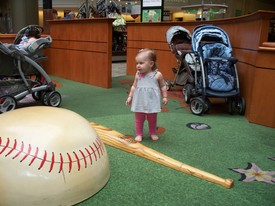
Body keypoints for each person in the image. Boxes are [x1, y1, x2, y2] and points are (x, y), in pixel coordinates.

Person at [126, 48, 168, 142]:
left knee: (152, 119)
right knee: (139, 119)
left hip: (152, 102)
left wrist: (165, 96)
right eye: (137, 63)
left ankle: (152, 133)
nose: (138, 66)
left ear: (151, 64)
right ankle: (139, 134)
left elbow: (163, 86)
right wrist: (130, 96)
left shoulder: (157, 75)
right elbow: (134, 86)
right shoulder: (138, 74)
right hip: (139, 101)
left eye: (141, 63)